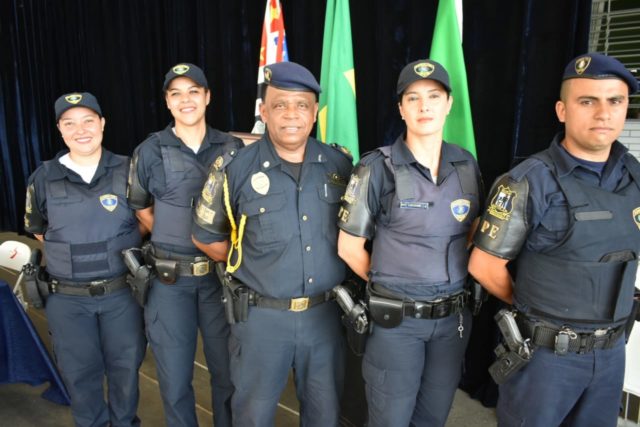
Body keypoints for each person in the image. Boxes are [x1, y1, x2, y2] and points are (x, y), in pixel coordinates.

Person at [469, 53, 640, 427]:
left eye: (615, 101)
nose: (603, 113)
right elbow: (484, 266)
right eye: (587, 101)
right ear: (562, 111)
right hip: (546, 359)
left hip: (611, 352)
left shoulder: (634, 175)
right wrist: (536, 309)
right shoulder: (528, 181)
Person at [192, 61, 353, 427]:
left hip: (324, 319)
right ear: (263, 112)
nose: (291, 114)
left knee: (325, 416)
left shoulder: (340, 166)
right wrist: (251, 266)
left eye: (301, 105)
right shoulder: (234, 168)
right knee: (253, 416)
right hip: (261, 320)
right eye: (280, 104)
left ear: (314, 112)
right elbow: (205, 236)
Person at [337, 59, 482, 427]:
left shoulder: (465, 164)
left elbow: (473, 230)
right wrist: (396, 286)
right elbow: (348, 247)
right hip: (397, 325)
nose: (424, 106)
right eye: (413, 98)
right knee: (390, 419)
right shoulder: (376, 168)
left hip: (451, 322)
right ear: (401, 109)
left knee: (433, 417)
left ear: (449, 104)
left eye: (434, 96)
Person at [127, 63, 241, 427]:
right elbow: (142, 208)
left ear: (207, 97)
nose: (185, 100)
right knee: (175, 379)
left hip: (219, 280)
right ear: (167, 101)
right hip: (169, 281)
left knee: (228, 375)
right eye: (176, 93)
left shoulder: (233, 148)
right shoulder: (149, 150)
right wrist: (176, 238)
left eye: (193, 91)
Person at [23, 92, 146, 427]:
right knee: (80, 374)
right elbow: (39, 230)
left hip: (121, 294)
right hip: (68, 299)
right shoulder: (43, 178)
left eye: (88, 121)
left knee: (126, 369)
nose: (81, 130)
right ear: (60, 130)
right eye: (70, 123)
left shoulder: (130, 169)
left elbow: (146, 220)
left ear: (102, 124)